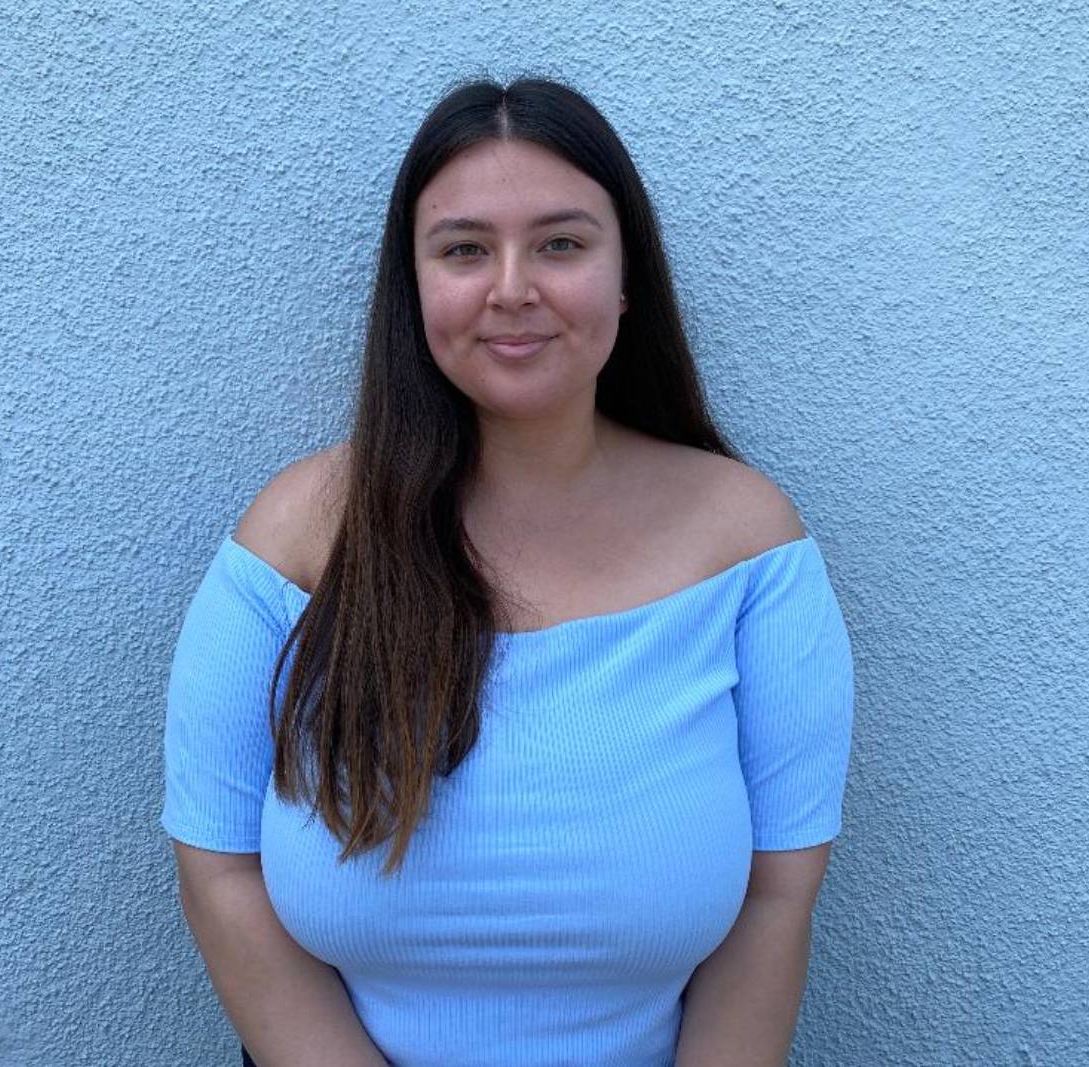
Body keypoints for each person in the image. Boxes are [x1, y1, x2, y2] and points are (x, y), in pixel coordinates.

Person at [161, 76, 855, 1067]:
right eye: (463, 249)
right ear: (413, 285)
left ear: (628, 279)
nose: (512, 287)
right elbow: (217, 867)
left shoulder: (745, 542)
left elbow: (778, 892)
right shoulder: (298, 538)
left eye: (561, 243)